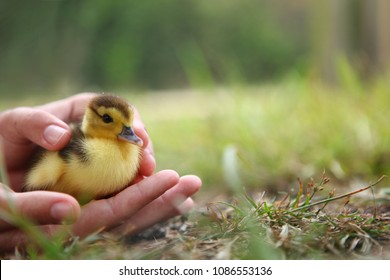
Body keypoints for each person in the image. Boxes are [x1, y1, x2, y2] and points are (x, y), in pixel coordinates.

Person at [0, 93, 201, 252]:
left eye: (127, 124)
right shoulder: (76, 152)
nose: (129, 132)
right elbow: (38, 177)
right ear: (92, 117)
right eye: (107, 119)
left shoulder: (127, 151)